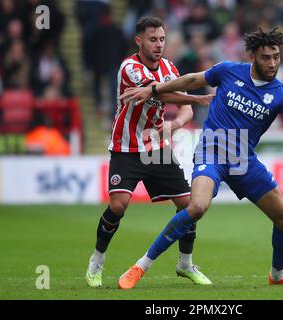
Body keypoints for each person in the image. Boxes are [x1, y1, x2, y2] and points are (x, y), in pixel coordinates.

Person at [118, 27, 283, 289]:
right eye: (266, 57)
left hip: (243, 161)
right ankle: (140, 266)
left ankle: (278, 275)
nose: (273, 63)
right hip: (211, 151)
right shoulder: (229, 70)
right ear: (254, 56)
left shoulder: (282, 94)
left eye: (276, 57)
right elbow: (191, 81)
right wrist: (154, 89)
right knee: (197, 207)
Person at [85, 16, 213, 288]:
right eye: (153, 39)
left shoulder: (169, 67)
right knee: (118, 206)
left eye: (162, 39)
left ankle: (186, 264)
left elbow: (184, 112)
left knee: (190, 207)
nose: (159, 45)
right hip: (126, 148)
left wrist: (176, 124)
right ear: (139, 41)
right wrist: (198, 98)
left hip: (156, 149)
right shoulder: (129, 68)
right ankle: (97, 260)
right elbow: (159, 95)